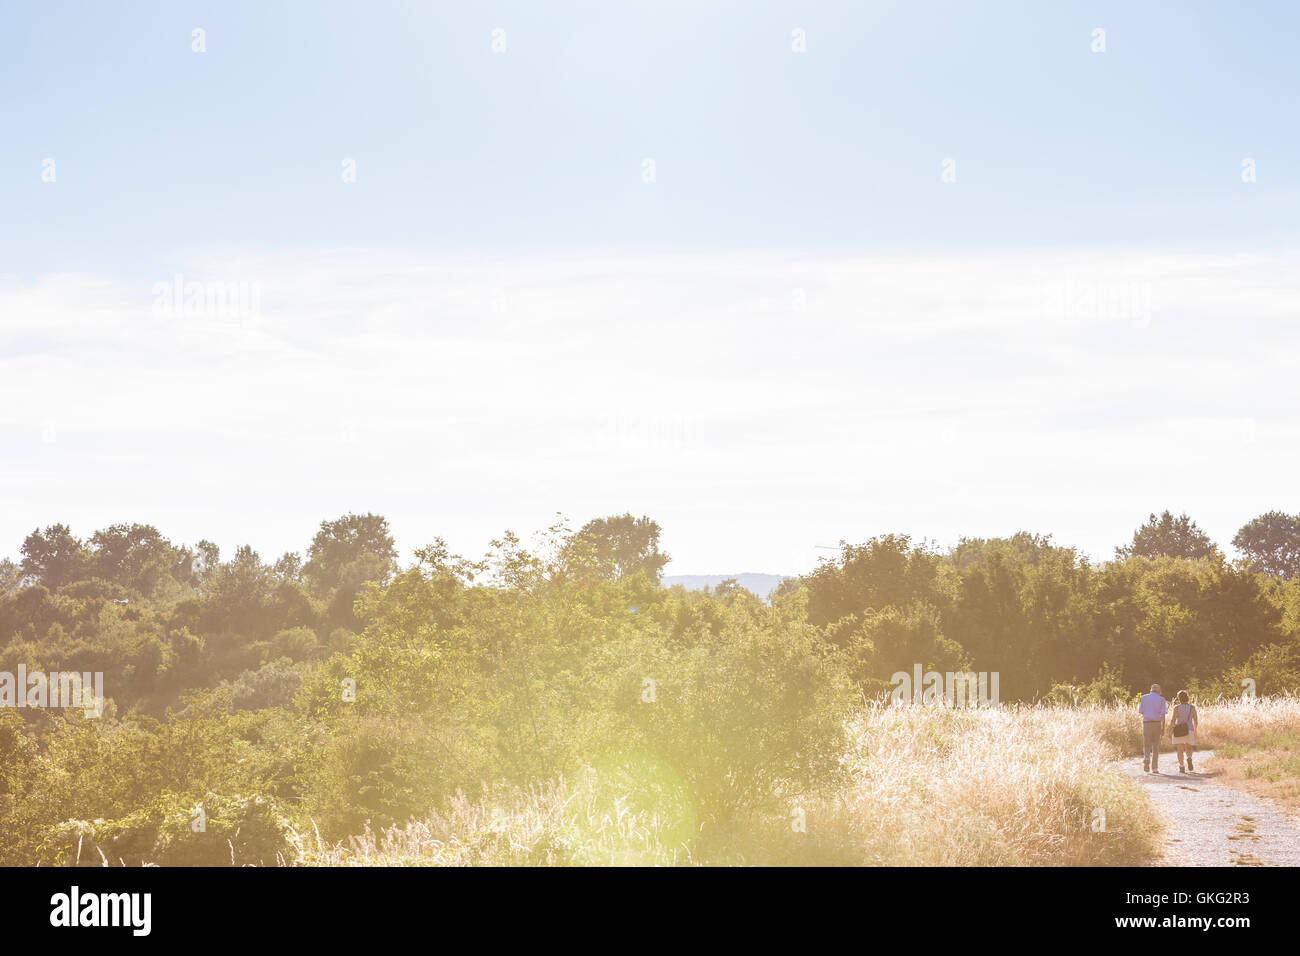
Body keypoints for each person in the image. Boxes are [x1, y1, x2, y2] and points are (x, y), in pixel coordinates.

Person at [1137, 683, 1168, 773]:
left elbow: (1141, 711)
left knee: (1147, 744)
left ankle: (1146, 758)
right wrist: (1163, 727)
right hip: (1157, 723)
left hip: (1146, 723)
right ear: (1159, 691)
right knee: (1156, 746)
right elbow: (1163, 715)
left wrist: (1148, 715)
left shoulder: (1144, 697)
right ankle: (1154, 768)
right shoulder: (1162, 699)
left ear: (1151, 690)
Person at [1169, 690, 1198, 773]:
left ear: (1179, 698)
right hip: (1189, 729)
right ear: (1187, 697)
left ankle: (1182, 767)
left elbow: (1173, 720)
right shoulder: (1192, 708)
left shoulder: (1176, 708)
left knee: (1180, 749)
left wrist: (1170, 731)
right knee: (1189, 747)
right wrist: (1195, 731)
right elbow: (1196, 721)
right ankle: (1189, 758)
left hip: (1179, 730)